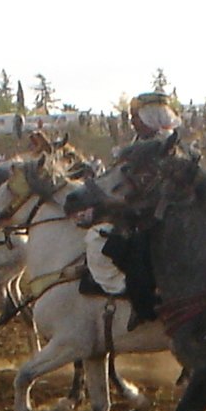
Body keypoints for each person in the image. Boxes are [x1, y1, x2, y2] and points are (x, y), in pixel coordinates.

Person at [84, 92, 181, 322]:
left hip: (160, 220)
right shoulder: (140, 145)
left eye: (135, 116)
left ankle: (135, 300)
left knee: (103, 241)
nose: (132, 122)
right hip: (138, 214)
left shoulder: (166, 146)